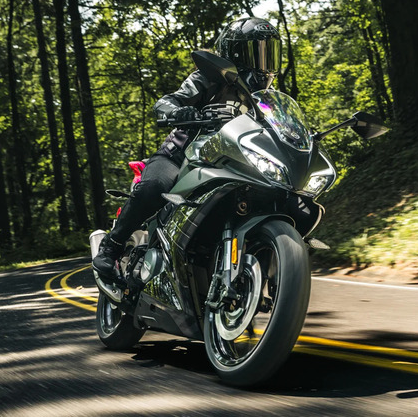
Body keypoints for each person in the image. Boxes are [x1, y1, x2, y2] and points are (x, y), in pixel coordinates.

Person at [92, 17, 282, 298]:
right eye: (255, 52)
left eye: (269, 53)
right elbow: (167, 102)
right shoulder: (210, 79)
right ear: (234, 53)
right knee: (154, 187)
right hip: (181, 157)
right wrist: (178, 111)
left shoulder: (267, 99)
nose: (263, 63)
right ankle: (111, 247)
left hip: (233, 165)